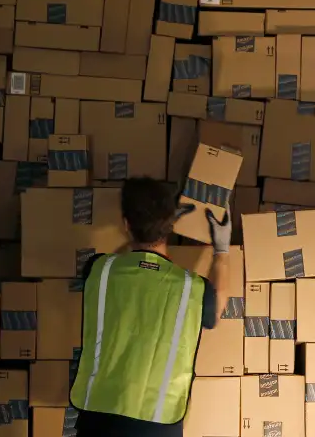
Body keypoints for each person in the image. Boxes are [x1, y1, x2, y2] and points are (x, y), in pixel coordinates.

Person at [69, 176, 232, 437]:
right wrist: (221, 251)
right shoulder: (193, 288)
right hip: (158, 424)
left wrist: (156, 223)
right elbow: (215, 310)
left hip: (99, 421)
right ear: (171, 226)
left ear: (125, 225)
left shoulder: (98, 269)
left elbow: (133, 265)